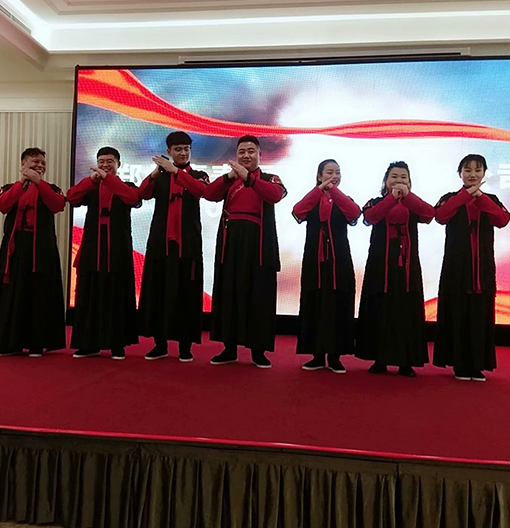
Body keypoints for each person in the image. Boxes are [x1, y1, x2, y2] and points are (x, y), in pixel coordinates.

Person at [203, 135, 287, 368]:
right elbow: (209, 194)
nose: (246, 155)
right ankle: (229, 348)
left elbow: (275, 195)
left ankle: (258, 351)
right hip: (231, 243)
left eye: (251, 151)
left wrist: (248, 178)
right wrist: (230, 176)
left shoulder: (270, 178)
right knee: (229, 293)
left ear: (260, 155)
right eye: (242, 151)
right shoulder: (229, 179)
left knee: (258, 296)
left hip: (258, 246)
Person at [433, 154, 510, 382]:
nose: (473, 174)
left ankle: (476, 365)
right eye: (467, 170)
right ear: (460, 174)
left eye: (478, 170)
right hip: (456, 268)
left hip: (482, 268)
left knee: (480, 315)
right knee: (456, 313)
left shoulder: (491, 199)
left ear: (484, 173)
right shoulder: (450, 198)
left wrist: (479, 197)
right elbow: (440, 216)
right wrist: (466, 195)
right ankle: (458, 363)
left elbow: (502, 220)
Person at [355, 162, 435, 377]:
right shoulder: (376, 202)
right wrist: (392, 198)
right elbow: (370, 218)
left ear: (409, 181)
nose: (399, 180)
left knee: (406, 310)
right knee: (380, 308)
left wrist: (407, 197)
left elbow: (429, 215)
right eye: (394, 176)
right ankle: (379, 359)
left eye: (403, 177)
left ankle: (405, 362)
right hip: (380, 265)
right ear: (386, 181)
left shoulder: (413, 203)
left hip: (407, 267)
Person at [137, 131, 210, 362]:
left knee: (186, 294)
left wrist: (176, 172)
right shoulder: (160, 176)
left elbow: (202, 191)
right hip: (161, 244)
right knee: (158, 291)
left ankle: (185, 346)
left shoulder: (198, 175)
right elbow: (142, 194)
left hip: (188, 245)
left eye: (187, 149)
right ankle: (160, 344)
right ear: (168, 151)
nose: (183, 153)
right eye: (178, 149)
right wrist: (156, 172)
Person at [0, 147, 66, 357]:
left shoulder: (51, 189)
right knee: (11, 294)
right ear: (23, 164)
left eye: (43, 163)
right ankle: (8, 343)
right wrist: (23, 182)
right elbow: (2, 205)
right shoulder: (10, 187)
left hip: (42, 249)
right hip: (15, 249)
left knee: (40, 294)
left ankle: (36, 343)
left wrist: (39, 183)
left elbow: (58, 205)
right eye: (35, 162)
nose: (39, 166)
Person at [66, 147, 140, 359]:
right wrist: (92, 180)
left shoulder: (127, 186)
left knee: (117, 297)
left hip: (117, 249)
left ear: (119, 164)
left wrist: (108, 180)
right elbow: (71, 197)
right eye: (101, 161)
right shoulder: (91, 186)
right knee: (88, 296)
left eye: (110, 161)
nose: (105, 165)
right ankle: (88, 344)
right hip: (93, 248)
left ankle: (117, 344)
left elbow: (132, 199)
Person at [292, 159, 361, 373]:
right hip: (315, 260)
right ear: (319, 176)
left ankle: (335, 357)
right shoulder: (313, 198)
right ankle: (317, 355)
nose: (334, 176)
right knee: (315, 303)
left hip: (339, 260)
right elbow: (298, 212)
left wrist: (334, 191)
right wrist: (319, 190)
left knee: (338, 304)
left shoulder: (344, 199)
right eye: (329, 172)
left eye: (337, 173)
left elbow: (354, 214)